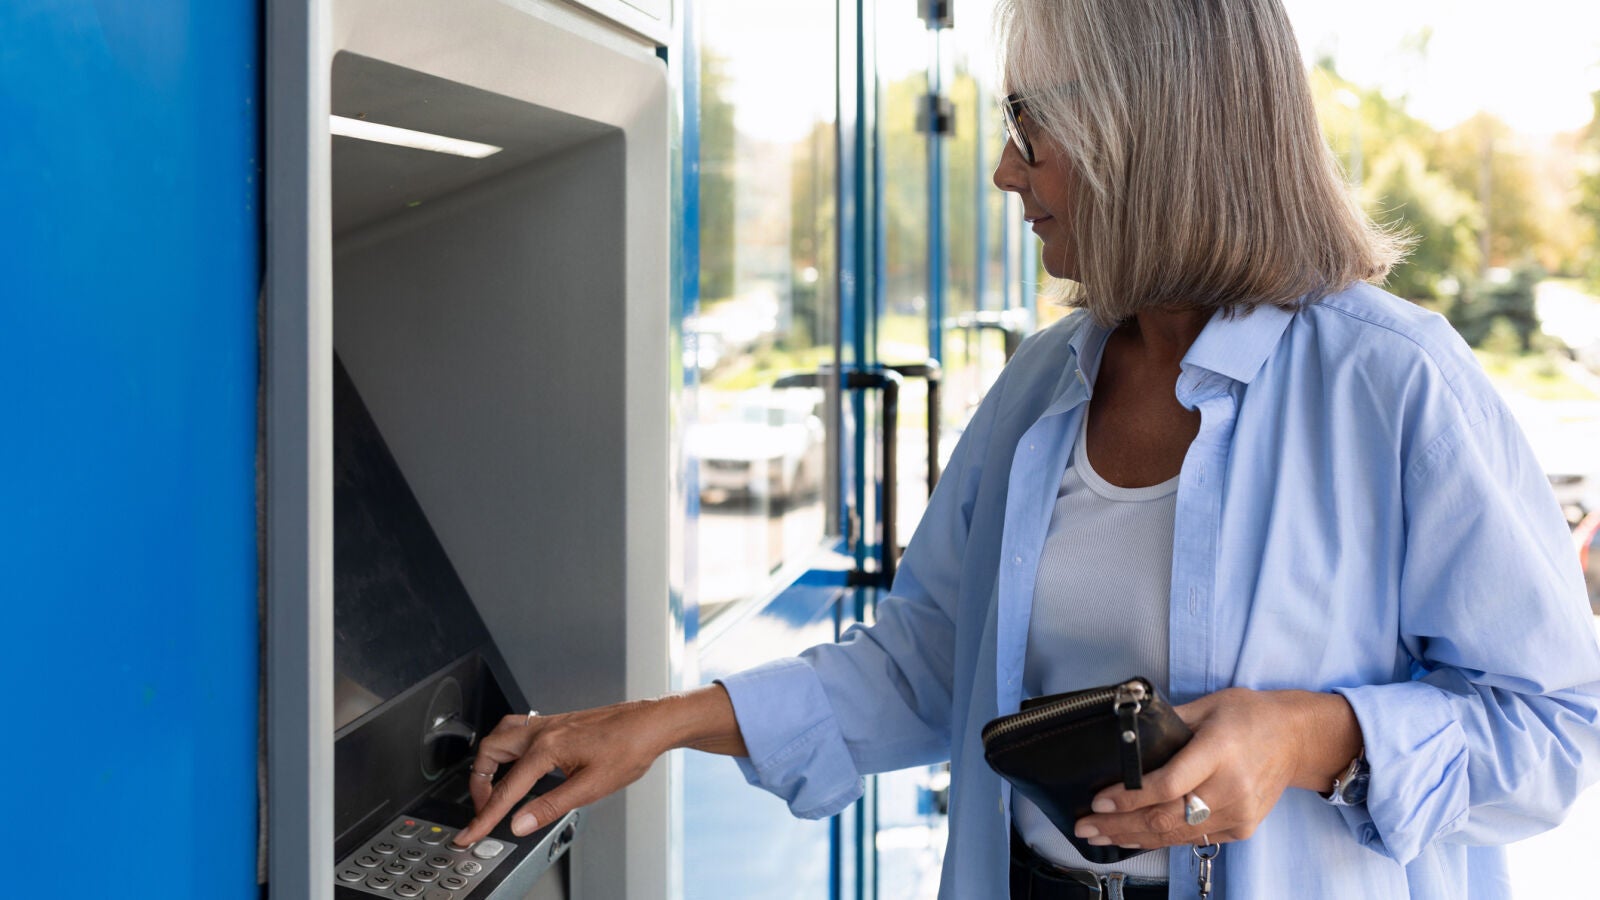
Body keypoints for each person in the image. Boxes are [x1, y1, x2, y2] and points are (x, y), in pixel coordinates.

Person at [452, 0, 1600, 896]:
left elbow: (1553, 730)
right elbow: (928, 665)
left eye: (1027, 128)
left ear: (1142, 133)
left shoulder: (1393, 383)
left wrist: (1317, 736)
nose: (1005, 170)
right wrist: (659, 724)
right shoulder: (1041, 390)